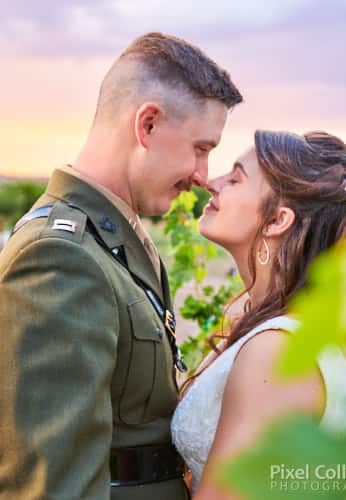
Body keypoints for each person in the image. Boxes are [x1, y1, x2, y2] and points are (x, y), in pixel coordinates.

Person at [0, 32, 242, 499]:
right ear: (147, 125)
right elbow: (55, 486)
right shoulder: (60, 256)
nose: (202, 174)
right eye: (200, 147)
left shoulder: (117, 239)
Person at [171, 130, 346, 499]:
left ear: (278, 220)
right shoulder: (283, 333)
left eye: (235, 178)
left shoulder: (276, 352)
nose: (210, 183)